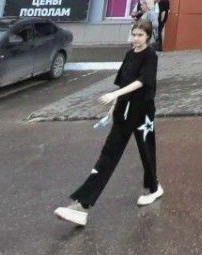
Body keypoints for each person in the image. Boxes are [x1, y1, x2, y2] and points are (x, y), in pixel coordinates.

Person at [55, 19, 161, 227]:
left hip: (142, 110)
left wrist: (115, 95)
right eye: (134, 34)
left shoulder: (150, 56)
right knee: (109, 154)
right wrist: (114, 106)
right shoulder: (129, 54)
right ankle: (82, 205)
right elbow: (123, 81)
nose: (136, 39)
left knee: (147, 150)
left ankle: (154, 188)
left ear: (148, 36)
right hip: (124, 110)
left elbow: (142, 81)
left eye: (140, 35)